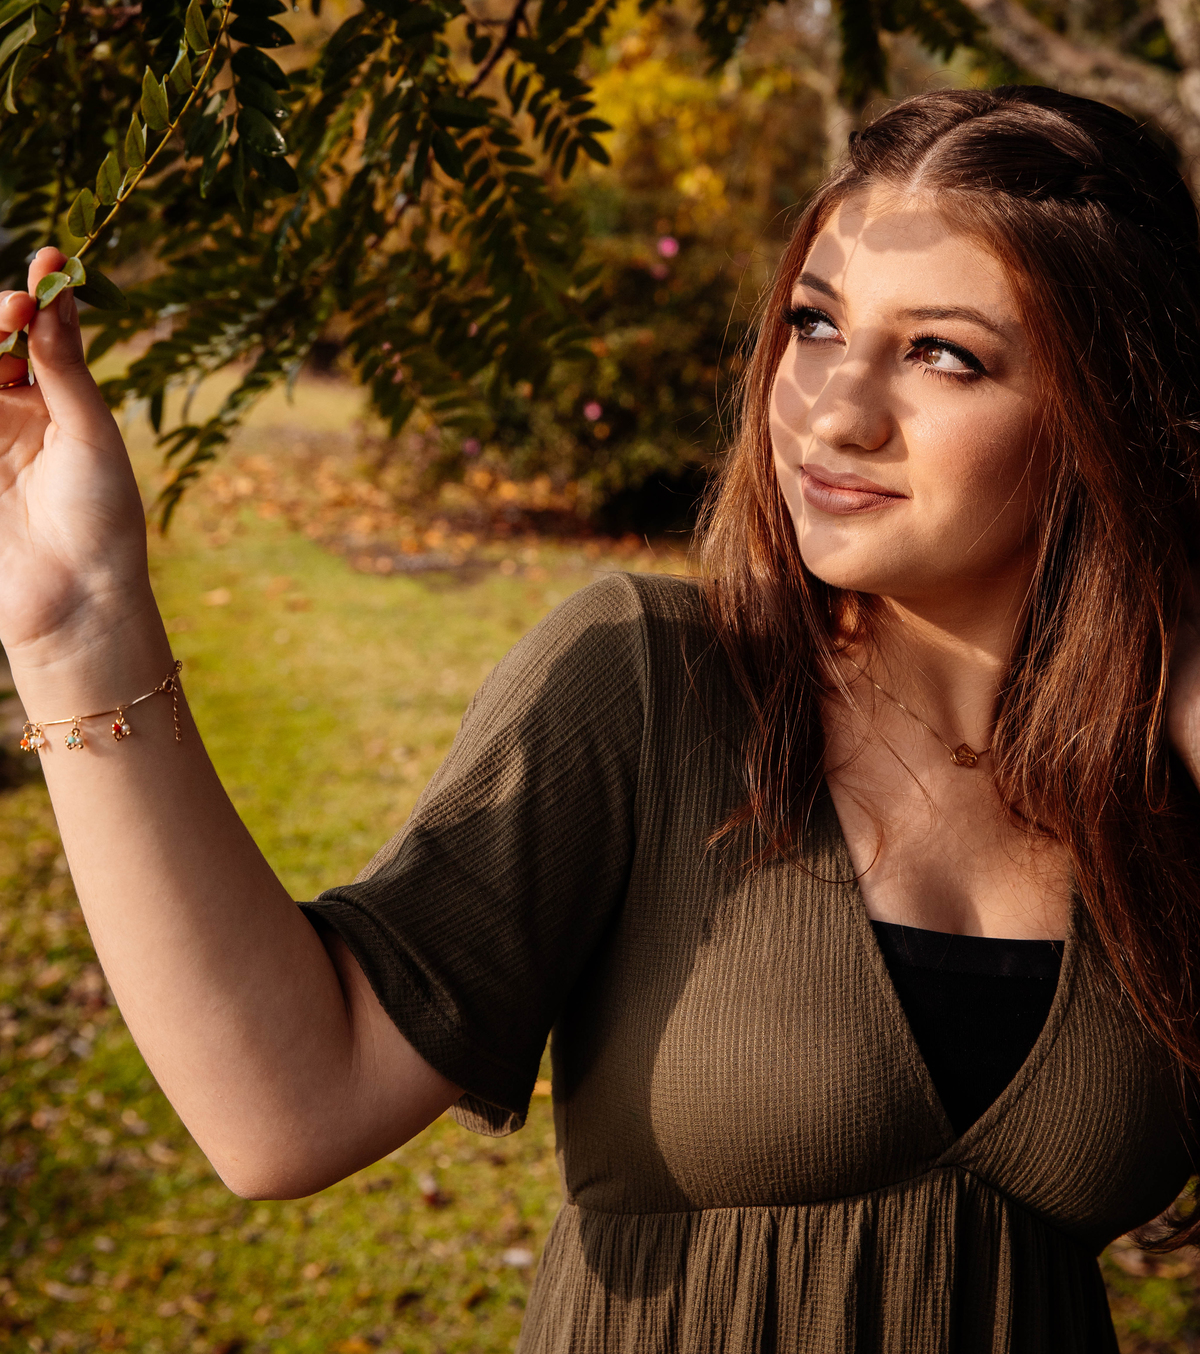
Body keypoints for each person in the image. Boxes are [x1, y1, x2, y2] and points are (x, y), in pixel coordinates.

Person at [4, 84, 1200, 1353]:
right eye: (814, 324)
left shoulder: (1159, 778)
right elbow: (286, 1109)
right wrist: (81, 622)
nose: (833, 411)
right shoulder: (649, 684)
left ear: (1105, 408)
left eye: (942, 353)